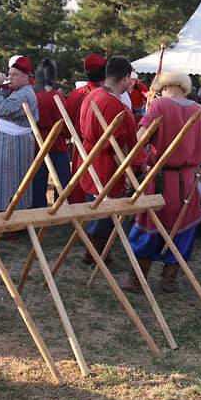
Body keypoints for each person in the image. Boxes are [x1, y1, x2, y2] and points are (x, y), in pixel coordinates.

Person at [124, 72, 201, 293]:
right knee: (182, 229)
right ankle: (168, 280)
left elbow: (140, 137)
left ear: (164, 86)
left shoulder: (159, 105)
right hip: (188, 180)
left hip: (161, 178)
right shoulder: (199, 111)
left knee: (150, 228)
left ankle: (137, 281)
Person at [79, 56, 144, 268]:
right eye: (130, 79)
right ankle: (98, 256)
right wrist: (126, 173)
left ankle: (94, 253)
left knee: (97, 209)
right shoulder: (113, 104)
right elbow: (116, 145)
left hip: (90, 160)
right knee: (104, 214)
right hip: (105, 165)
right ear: (125, 78)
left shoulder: (91, 95)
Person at [0, 55, 39, 214]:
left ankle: (12, 218)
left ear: (25, 77)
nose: (10, 77)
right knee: (6, 179)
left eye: (14, 74)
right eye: (10, 73)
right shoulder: (18, 92)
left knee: (11, 181)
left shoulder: (24, 94)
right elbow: (3, 109)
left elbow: (3, 109)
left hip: (14, 145)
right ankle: (7, 214)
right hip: (9, 143)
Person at [65, 53, 106, 204]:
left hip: (81, 146)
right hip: (94, 147)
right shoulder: (105, 95)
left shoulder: (76, 94)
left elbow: (66, 124)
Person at [31, 58, 71, 207]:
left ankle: (38, 207)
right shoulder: (55, 95)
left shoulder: (32, 94)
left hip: (37, 140)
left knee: (38, 178)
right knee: (61, 178)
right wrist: (67, 135)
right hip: (56, 141)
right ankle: (61, 206)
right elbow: (63, 121)